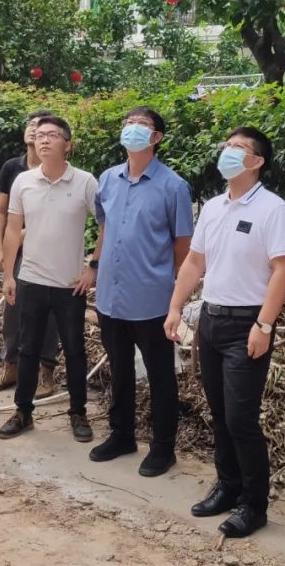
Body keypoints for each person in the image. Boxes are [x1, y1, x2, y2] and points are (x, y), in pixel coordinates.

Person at [164, 126, 285, 539]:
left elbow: (283, 269)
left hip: (247, 324)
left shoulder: (273, 209)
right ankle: (228, 485)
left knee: (241, 418)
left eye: (238, 148)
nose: (228, 152)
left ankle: (254, 505)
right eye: (226, 146)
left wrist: (264, 324)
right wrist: (174, 307)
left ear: (256, 161)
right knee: (219, 413)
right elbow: (193, 263)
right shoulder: (214, 207)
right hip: (212, 319)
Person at [89, 107, 193, 478]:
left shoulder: (173, 186)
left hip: (151, 299)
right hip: (110, 297)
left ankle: (163, 448)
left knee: (160, 375)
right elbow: (105, 227)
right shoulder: (108, 179)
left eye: (142, 126)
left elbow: (183, 246)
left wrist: (176, 295)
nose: (132, 129)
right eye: (128, 123)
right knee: (119, 369)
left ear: (157, 138)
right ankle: (122, 435)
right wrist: (94, 265)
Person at [0, 115, 98, 443]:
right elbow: (13, 230)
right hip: (30, 280)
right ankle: (23, 411)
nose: (43, 140)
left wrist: (92, 267)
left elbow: (106, 224)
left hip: (70, 284)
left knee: (74, 350)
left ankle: (78, 413)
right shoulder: (23, 181)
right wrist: (8, 274)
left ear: (67, 145)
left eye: (52, 135)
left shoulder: (85, 182)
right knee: (27, 348)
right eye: (39, 135)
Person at [0, 110, 62, 397]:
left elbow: (52, 214)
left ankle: (46, 372)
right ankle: (11, 366)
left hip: (48, 250)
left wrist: (16, 240)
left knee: (49, 312)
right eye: (32, 126)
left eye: (43, 130)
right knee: (13, 307)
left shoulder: (58, 169)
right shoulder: (12, 168)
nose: (36, 132)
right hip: (15, 249)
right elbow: (1, 211)